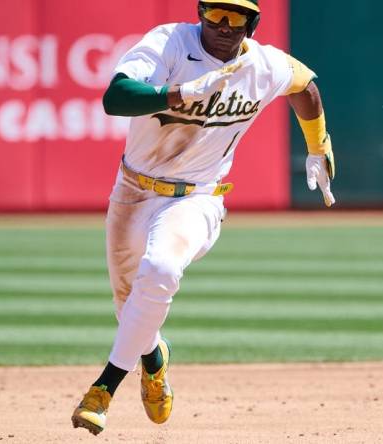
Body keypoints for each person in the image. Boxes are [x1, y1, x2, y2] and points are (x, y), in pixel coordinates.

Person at [71, 0, 335, 435]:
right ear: (200, 12)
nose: (224, 25)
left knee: (160, 270)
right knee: (131, 311)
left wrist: (318, 144)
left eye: (236, 16)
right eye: (215, 13)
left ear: (253, 22)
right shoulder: (170, 43)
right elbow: (115, 98)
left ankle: (103, 390)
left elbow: (304, 86)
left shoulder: (264, 64)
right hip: (133, 192)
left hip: (198, 197)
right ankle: (153, 359)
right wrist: (177, 94)